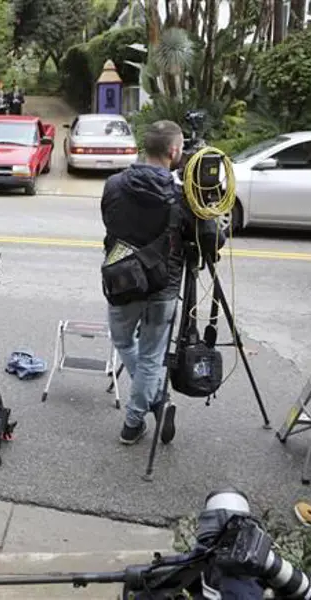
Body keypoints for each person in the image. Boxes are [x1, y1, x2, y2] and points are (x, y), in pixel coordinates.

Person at [101, 120, 224, 446]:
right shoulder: (182, 194)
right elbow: (211, 241)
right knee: (151, 358)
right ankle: (136, 419)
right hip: (163, 287)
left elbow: (110, 222)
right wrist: (206, 206)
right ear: (173, 151)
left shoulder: (113, 184)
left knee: (124, 342)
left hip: (120, 279)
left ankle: (151, 400)